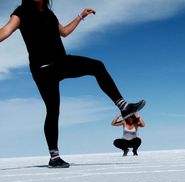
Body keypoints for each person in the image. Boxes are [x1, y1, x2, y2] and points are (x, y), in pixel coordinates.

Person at [0, 0, 145, 168]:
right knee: (53, 110)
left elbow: (64, 32)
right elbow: (5, 31)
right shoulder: (21, 13)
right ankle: (54, 157)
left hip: (61, 62)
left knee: (97, 66)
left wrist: (80, 17)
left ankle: (123, 106)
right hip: (43, 69)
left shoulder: (49, 14)